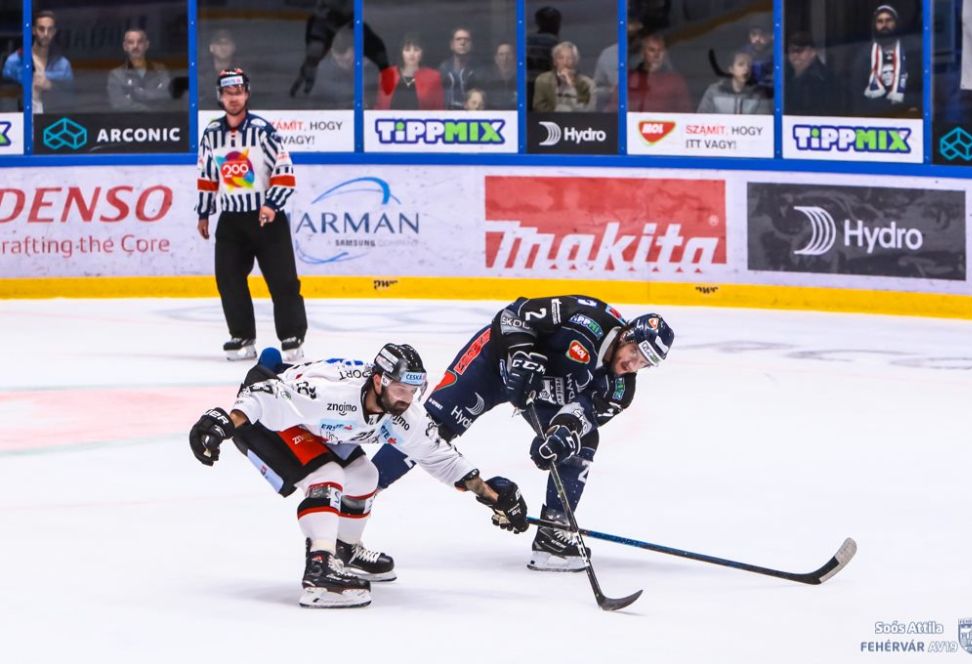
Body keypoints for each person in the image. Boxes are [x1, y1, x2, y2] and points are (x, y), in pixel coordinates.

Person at [189, 343, 528, 608]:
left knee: (365, 476)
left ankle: (344, 550)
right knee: (328, 474)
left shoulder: (404, 412)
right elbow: (264, 396)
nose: (406, 399)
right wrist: (223, 421)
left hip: (312, 426)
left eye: (413, 390)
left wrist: (490, 494)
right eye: (399, 389)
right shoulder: (334, 395)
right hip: (263, 418)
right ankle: (319, 572)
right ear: (379, 380)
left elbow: (438, 455)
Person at [372, 295, 674, 572]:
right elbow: (512, 316)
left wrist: (560, 435)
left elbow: (583, 415)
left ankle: (553, 532)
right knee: (429, 430)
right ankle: (355, 499)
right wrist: (520, 353)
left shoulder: (619, 390)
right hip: (494, 362)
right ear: (625, 335)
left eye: (644, 361)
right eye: (634, 351)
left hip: (542, 391)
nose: (632, 363)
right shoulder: (585, 318)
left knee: (580, 443)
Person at [196, 68, 308, 362]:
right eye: (228, 93)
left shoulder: (263, 131)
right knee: (229, 278)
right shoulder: (211, 134)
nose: (234, 98)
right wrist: (204, 213)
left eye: (238, 92)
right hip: (231, 221)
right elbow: (207, 175)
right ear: (220, 97)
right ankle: (241, 335)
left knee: (282, 279)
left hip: (266, 218)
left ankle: (291, 336)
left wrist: (272, 204)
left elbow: (284, 170)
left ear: (247, 93)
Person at [288, 0, 388, 97]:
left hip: (350, 23)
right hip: (324, 23)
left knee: (379, 53)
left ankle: (386, 77)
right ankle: (307, 73)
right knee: (315, 49)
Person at [1, 10, 73, 114]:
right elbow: (5, 95)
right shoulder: (15, 61)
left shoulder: (62, 64)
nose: (46, 34)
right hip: (20, 120)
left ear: (54, 32)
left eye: (50, 29)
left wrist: (51, 87)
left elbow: (72, 99)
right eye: (41, 29)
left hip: (52, 120)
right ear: (34, 30)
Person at [851, 4, 913, 117]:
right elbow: (857, 90)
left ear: (896, 23)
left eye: (889, 20)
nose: (884, 25)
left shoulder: (909, 51)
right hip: (873, 116)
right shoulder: (864, 54)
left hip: (905, 116)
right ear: (874, 25)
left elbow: (916, 87)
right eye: (880, 21)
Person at [311, 26, 378, 109]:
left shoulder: (370, 67)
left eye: (350, 58)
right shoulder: (324, 68)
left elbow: (374, 93)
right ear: (332, 51)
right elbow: (338, 93)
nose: (345, 60)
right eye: (340, 60)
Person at [107, 28, 171, 111]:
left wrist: (140, 94)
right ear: (125, 46)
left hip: (158, 121)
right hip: (129, 121)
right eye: (131, 42)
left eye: (140, 42)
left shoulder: (160, 70)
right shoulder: (116, 74)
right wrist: (148, 108)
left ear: (146, 45)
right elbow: (119, 103)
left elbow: (166, 95)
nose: (135, 46)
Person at [375, 34, 444, 110]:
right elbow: (380, 106)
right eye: (407, 50)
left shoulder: (433, 77)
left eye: (416, 49)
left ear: (422, 53)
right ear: (401, 53)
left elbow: (439, 109)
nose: (412, 54)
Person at [627, 32, 692, 112]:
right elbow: (614, 110)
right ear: (643, 53)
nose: (657, 55)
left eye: (660, 50)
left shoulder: (675, 81)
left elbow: (686, 114)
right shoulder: (630, 79)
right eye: (652, 50)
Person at [785, 31, 844, 117]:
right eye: (791, 50)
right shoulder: (784, 76)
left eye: (800, 50)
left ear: (813, 52)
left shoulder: (824, 79)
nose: (795, 55)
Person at [697, 49, 772, 114]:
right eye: (741, 64)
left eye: (749, 65)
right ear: (731, 69)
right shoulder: (714, 91)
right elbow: (702, 118)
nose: (746, 68)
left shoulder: (758, 93)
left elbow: (762, 122)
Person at [593, 17, 644, 112]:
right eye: (629, 37)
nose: (632, 41)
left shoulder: (652, 54)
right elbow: (597, 88)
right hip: (617, 108)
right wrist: (611, 92)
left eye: (635, 36)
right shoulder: (608, 54)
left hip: (647, 108)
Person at [532, 41, 596, 112]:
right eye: (561, 58)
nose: (565, 62)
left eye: (569, 58)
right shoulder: (543, 80)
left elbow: (588, 109)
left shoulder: (588, 83)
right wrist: (556, 111)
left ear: (575, 61)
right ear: (555, 61)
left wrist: (572, 84)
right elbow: (538, 107)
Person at [439, 27, 479, 111]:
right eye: (458, 39)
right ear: (451, 45)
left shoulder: (478, 70)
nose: (462, 42)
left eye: (466, 39)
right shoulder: (443, 69)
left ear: (471, 45)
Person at [199, 29, 237, 108]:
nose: (223, 47)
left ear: (233, 47)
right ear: (211, 48)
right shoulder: (201, 72)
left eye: (226, 43)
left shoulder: (241, 72)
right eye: (219, 43)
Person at [481, 42, 516, 110]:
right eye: (501, 54)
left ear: (514, 57)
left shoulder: (521, 78)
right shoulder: (486, 80)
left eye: (508, 54)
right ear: (496, 59)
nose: (505, 58)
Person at [742, 22, 774, 97]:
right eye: (754, 34)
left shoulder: (776, 52)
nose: (757, 39)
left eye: (762, 35)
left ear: (769, 36)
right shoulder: (744, 52)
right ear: (749, 36)